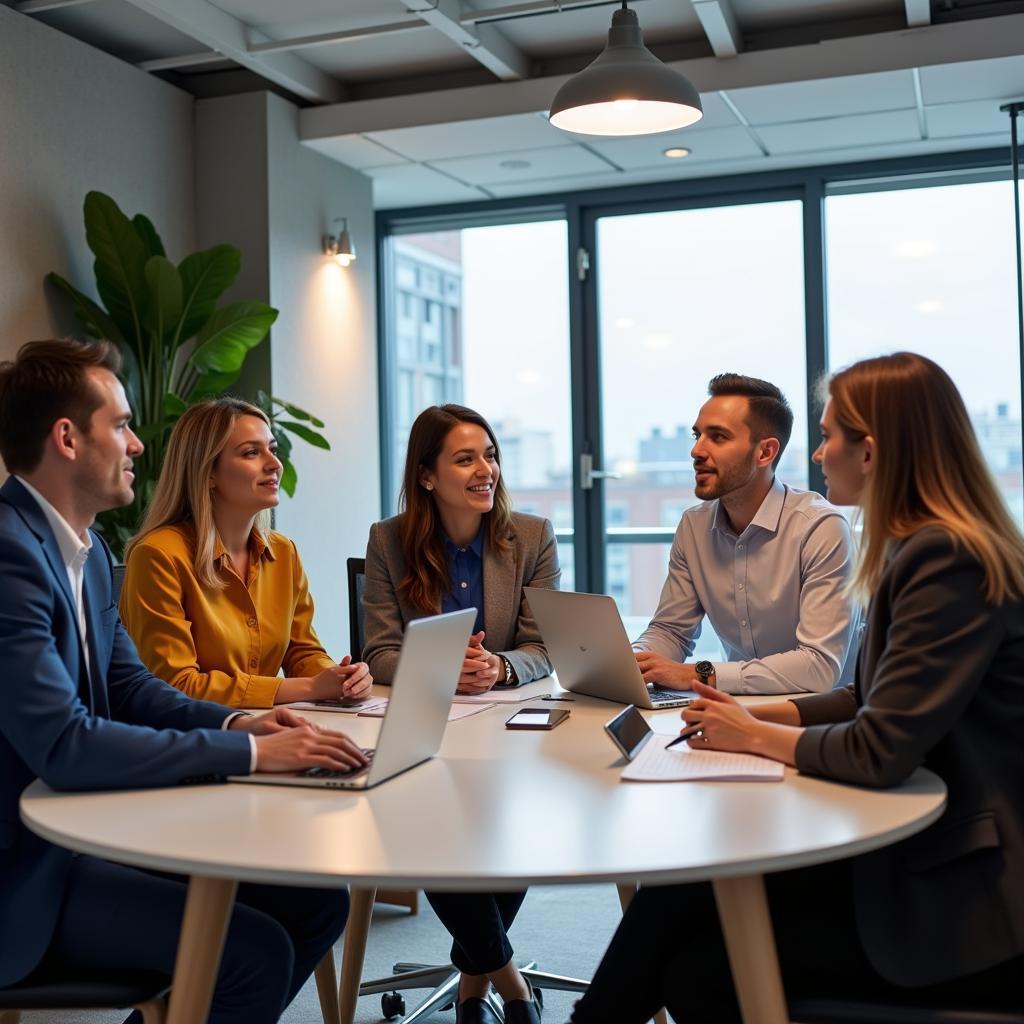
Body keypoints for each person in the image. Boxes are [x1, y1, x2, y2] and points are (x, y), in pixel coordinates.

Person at [569, 352, 1024, 1023]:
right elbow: (863, 696)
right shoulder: (922, 546)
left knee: (697, 969)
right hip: (929, 852)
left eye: (830, 435)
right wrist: (742, 718)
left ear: (872, 452)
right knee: (692, 885)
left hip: (967, 899)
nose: (818, 453)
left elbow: (877, 747)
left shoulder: (943, 557)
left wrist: (753, 734)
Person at [0, 339, 370, 1024]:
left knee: (318, 903)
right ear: (68, 439)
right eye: (121, 425)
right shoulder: (9, 554)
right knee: (253, 953)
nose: (138, 444)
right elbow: (65, 743)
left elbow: (135, 689)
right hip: (27, 869)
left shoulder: (87, 550)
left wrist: (242, 722)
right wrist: (253, 753)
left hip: (83, 826)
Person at [363, 404, 558, 1024]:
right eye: (466, 459)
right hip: (426, 727)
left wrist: (499, 667)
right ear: (427, 475)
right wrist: (443, 667)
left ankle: (475, 985)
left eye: (490, 456)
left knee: (521, 824)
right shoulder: (389, 540)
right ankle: (510, 986)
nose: (485, 470)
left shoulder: (531, 536)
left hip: (508, 728)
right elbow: (380, 652)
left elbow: (545, 646)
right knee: (422, 820)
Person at [120, 398, 371, 708]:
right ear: (207, 472)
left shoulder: (284, 553)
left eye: (272, 449)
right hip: (193, 732)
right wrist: (310, 687)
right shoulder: (158, 556)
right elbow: (176, 685)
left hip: (267, 725)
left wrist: (342, 678)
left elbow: (302, 651)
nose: (274, 464)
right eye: (251, 453)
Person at [633, 372, 859, 695]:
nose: (696, 450)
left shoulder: (820, 528)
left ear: (765, 452)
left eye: (718, 437)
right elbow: (671, 631)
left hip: (822, 715)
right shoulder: (693, 526)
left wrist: (697, 674)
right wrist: (633, 661)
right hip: (737, 708)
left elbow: (818, 666)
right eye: (697, 435)